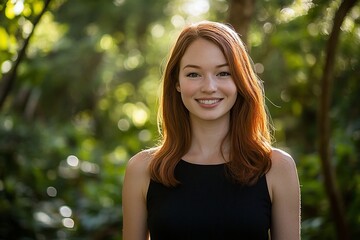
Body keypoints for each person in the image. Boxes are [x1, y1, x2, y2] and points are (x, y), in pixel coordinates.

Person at [122, 20, 301, 240]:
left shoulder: (276, 167)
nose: (209, 87)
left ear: (240, 80)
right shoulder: (142, 170)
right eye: (193, 74)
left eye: (223, 73)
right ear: (176, 82)